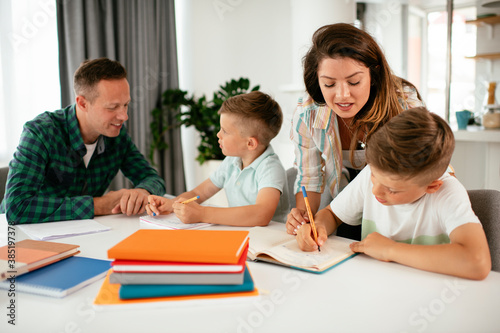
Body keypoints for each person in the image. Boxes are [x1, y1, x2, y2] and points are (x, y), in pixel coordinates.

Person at [289, 108, 491, 280]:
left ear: (431, 186)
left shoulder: (447, 193)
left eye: (392, 189)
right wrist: (319, 227)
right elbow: (331, 214)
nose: (375, 190)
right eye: (375, 177)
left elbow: (477, 261)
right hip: (375, 285)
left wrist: (390, 250)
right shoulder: (373, 173)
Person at [288, 23, 424, 240]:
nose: (342, 95)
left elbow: (421, 173)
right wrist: (306, 220)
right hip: (339, 205)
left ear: (374, 73)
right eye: (329, 84)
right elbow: (310, 179)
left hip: (395, 207)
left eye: (354, 82)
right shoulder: (308, 112)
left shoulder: (404, 106)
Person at [1, 58, 166, 224]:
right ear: (82, 103)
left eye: (125, 105)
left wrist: (143, 191)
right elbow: (16, 207)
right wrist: (99, 205)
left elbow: (152, 178)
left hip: (84, 233)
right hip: (21, 236)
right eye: (112, 107)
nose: (124, 116)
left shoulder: (116, 134)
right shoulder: (40, 133)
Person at [147, 91, 290, 226]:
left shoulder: (270, 168)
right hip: (242, 235)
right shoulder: (232, 162)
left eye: (225, 131)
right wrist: (172, 204)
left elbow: (261, 214)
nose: (218, 134)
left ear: (250, 143)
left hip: (269, 241)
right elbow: (197, 194)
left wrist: (202, 213)